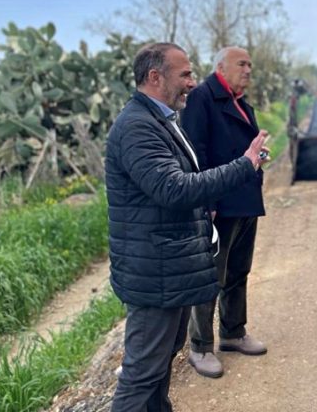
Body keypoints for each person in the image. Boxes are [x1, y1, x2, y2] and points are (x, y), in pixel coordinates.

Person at [106, 42, 269, 411]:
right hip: (153, 273)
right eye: (184, 74)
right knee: (141, 373)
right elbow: (174, 188)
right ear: (154, 77)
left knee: (158, 367)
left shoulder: (159, 120)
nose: (192, 83)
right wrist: (245, 165)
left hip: (167, 267)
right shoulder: (136, 127)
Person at [180, 46, 267, 379]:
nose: (248, 69)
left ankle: (233, 333)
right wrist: (207, 202)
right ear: (221, 66)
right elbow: (195, 152)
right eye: (241, 64)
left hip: (244, 199)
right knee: (210, 277)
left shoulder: (239, 100)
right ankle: (200, 347)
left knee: (238, 271)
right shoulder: (203, 98)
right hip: (219, 201)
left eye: (250, 64)